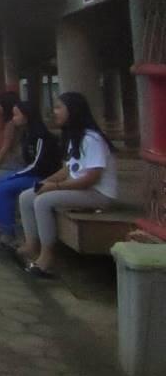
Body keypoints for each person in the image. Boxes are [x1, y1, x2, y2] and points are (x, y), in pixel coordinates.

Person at [17, 92, 117, 278]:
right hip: (82, 190)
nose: (54, 112)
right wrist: (46, 182)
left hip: (98, 193)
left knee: (43, 201)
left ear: (73, 110)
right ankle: (31, 245)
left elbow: (91, 178)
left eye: (58, 108)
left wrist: (55, 187)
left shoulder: (91, 139)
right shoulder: (74, 137)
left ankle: (47, 257)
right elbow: (67, 170)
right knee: (26, 196)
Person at [0, 101, 60, 250]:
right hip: (29, 173)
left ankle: (8, 234)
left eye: (16, 115)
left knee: (4, 189)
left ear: (27, 116)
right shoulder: (26, 134)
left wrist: (15, 175)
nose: (14, 118)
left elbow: (37, 164)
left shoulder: (41, 136)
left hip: (42, 176)